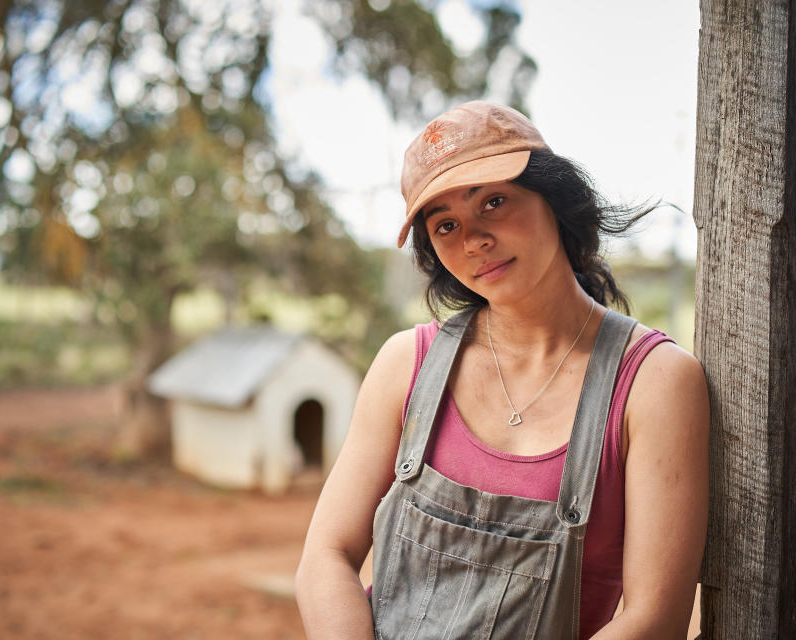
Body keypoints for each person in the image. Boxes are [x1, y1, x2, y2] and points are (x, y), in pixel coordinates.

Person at [295, 101, 709, 639]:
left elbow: (654, 619)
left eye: (493, 201)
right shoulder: (407, 365)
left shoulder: (654, 384)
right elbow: (327, 556)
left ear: (555, 198)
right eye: (445, 225)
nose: (473, 240)